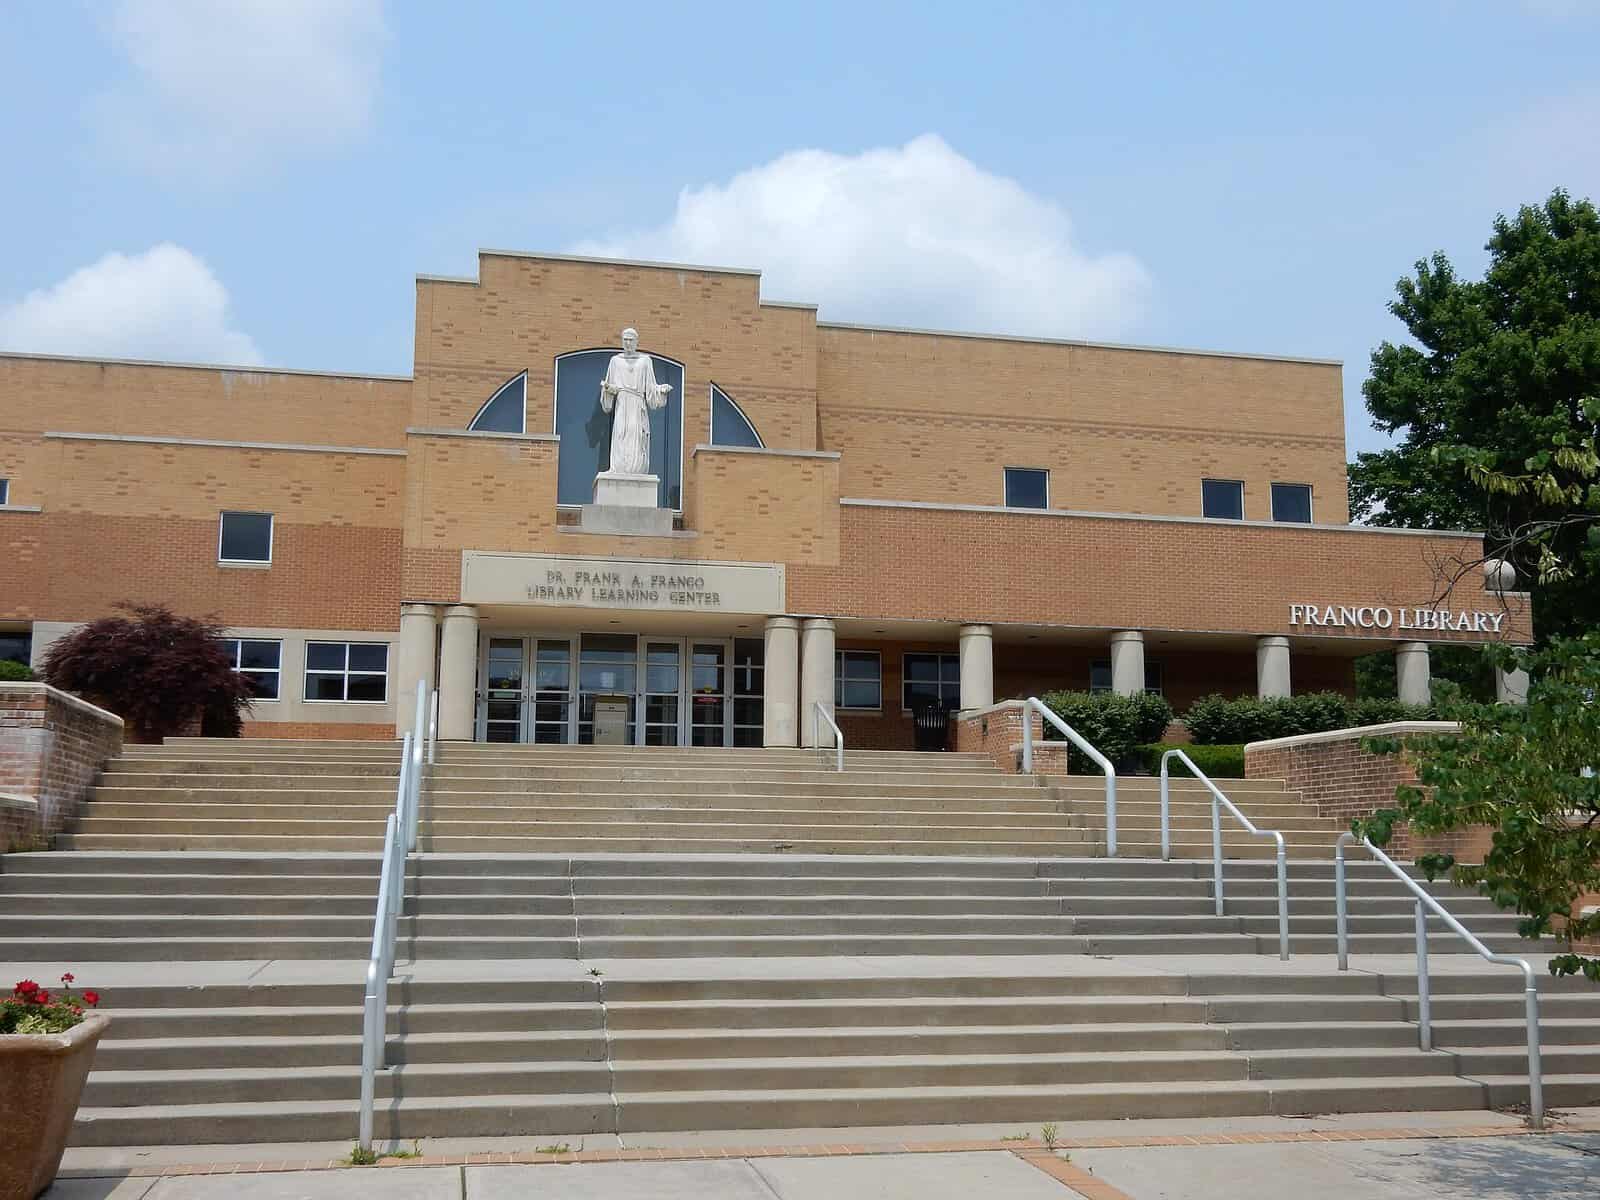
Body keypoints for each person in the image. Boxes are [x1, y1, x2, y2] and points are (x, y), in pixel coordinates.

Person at [598, 327, 672, 476]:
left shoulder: (645, 361)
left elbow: (651, 388)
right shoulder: (615, 361)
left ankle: (635, 469)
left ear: (637, 342)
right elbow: (609, 390)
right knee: (620, 433)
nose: (628, 343)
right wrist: (608, 390)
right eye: (625, 339)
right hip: (621, 404)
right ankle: (618, 468)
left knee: (636, 435)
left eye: (631, 340)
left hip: (637, 404)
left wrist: (661, 390)